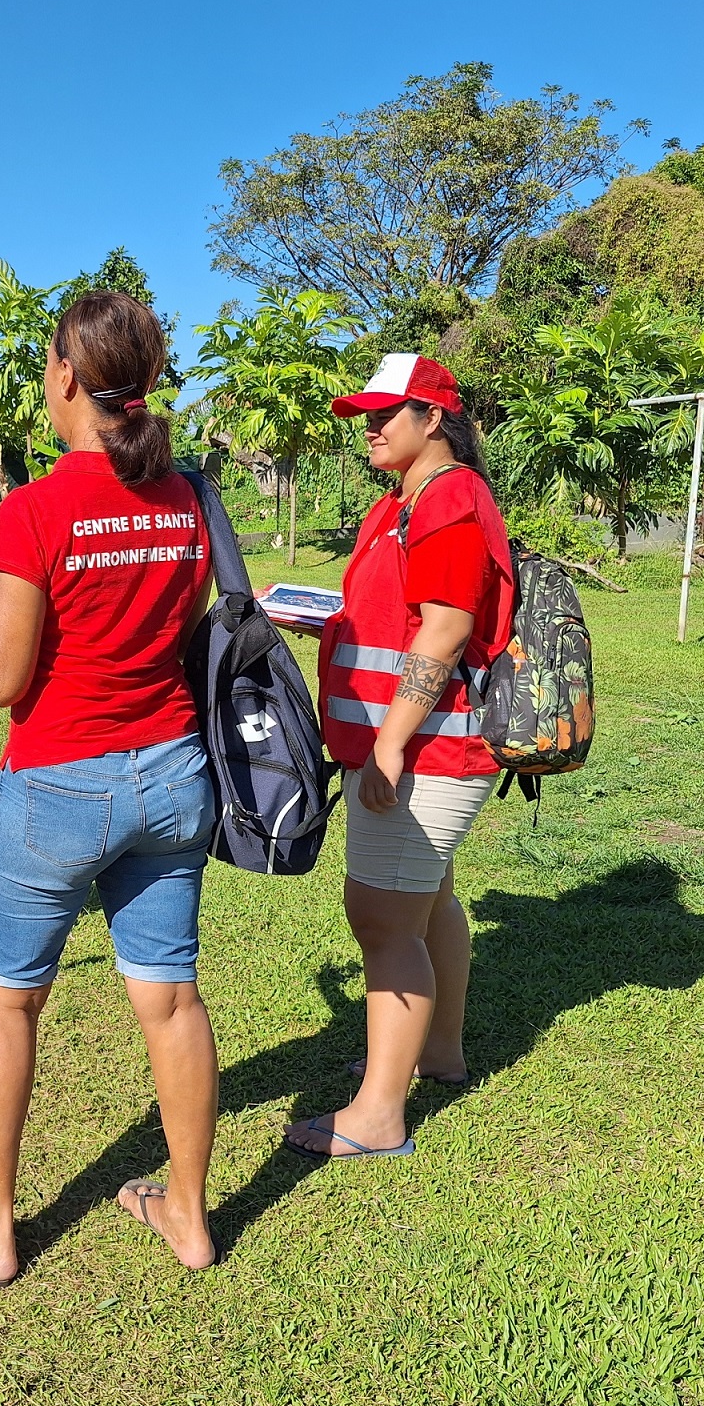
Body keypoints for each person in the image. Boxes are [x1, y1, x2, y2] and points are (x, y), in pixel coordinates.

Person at [0, 292, 219, 1285]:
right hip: (172, 776)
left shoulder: (34, 509)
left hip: (56, 787)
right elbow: (187, 629)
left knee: (6, 1006)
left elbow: (2, 675)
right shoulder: (189, 498)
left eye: (47, 364)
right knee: (169, 1001)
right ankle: (189, 1218)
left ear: (67, 378)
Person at [284, 354, 513, 1160]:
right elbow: (394, 616)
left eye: (389, 413)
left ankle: (378, 1115)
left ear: (435, 420)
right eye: (367, 414)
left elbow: (446, 629)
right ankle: (437, 1053)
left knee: (382, 920)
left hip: (425, 750)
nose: (371, 427)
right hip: (412, 744)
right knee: (429, 904)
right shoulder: (400, 505)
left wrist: (388, 743)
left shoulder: (449, 500)